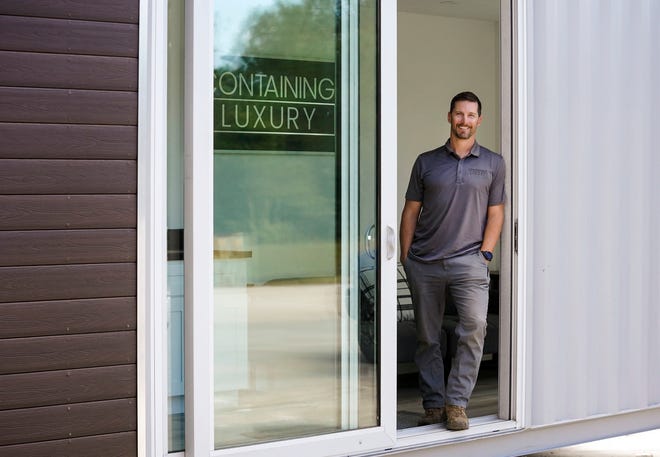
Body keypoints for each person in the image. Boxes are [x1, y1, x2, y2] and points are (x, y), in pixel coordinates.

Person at [399, 91, 505, 430]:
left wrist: (485, 253)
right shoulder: (426, 162)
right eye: (459, 114)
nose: (464, 121)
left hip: (469, 263)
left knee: (474, 328)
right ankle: (433, 404)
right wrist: (406, 257)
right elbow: (411, 211)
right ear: (449, 117)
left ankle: (456, 403)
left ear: (479, 120)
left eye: (471, 115)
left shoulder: (493, 163)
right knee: (428, 337)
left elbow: (496, 213)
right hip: (425, 262)